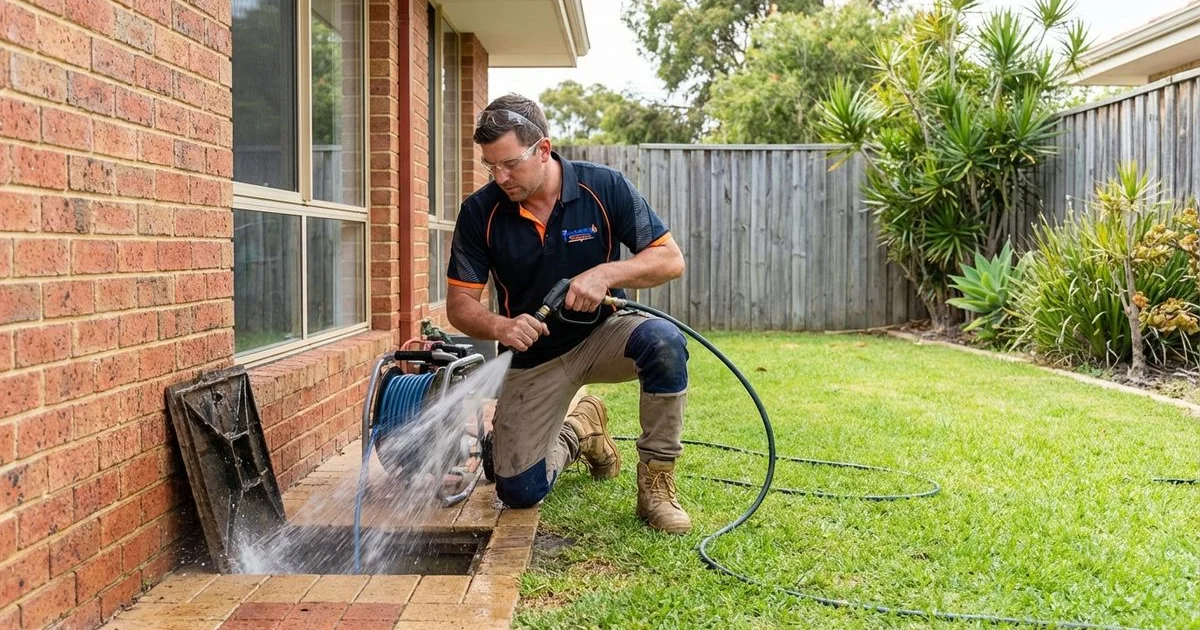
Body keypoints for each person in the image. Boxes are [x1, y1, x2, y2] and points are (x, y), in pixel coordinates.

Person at [444, 94, 692, 533]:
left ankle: (656, 484)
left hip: (604, 335)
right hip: (534, 357)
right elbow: (459, 305)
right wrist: (502, 325)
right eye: (490, 166)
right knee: (518, 490)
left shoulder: (605, 187)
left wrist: (604, 273)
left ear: (543, 149)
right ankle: (580, 430)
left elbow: (670, 259)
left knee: (664, 342)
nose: (500, 177)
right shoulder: (480, 212)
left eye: (510, 164)